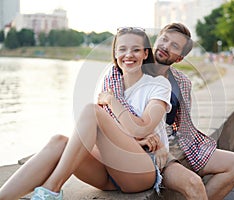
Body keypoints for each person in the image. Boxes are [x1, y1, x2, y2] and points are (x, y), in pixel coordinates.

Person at [0, 27, 173, 199]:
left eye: (136, 50)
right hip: (107, 171)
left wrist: (113, 102)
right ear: (115, 53)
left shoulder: (158, 85)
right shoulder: (110, 83)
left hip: (141, 171)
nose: (128, 55)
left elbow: (141, 128)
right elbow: (100, 135)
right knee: (59, 141)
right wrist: (133, 138)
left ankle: (50, 190)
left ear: (145, 53)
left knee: (92, 111)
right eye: (122, 49)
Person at [105, 23, 234, 200]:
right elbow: (111, 114)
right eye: (164, 40)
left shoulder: (181, 82)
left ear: (179, 58)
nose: (165, 46)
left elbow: (184, 125)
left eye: (174, 46)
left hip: (181, 144)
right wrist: (147, 139)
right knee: (192, 183)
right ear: (155, 41)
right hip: (147, 146)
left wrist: (185, 150)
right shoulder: (124, 69)